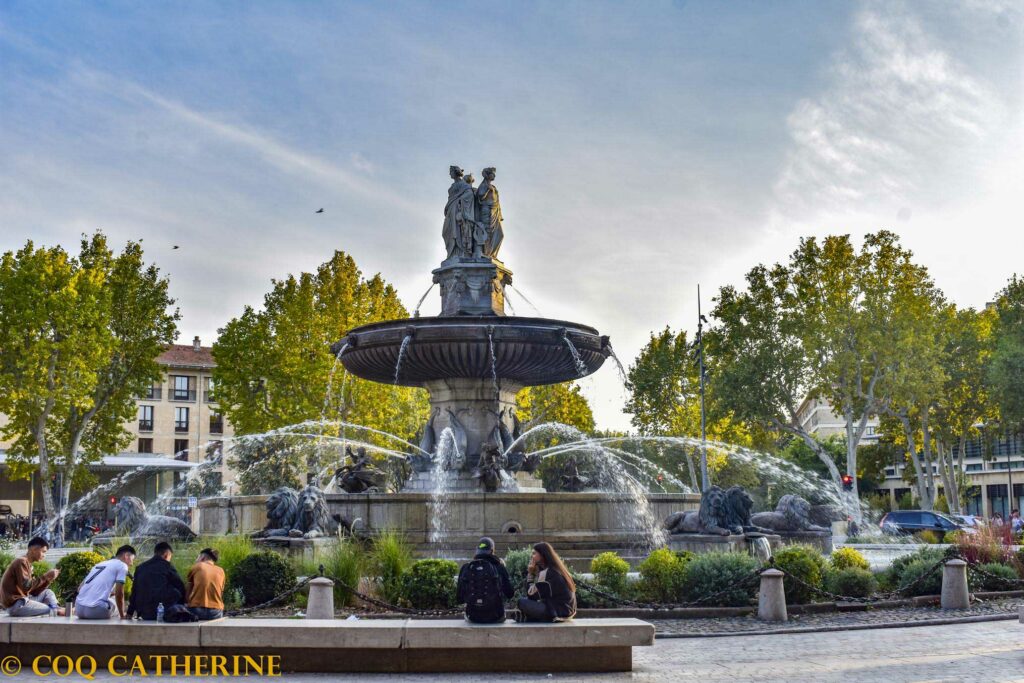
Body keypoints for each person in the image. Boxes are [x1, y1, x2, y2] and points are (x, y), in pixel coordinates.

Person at [0, 536, 64, 617]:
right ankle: (58, 610)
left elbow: (33, 592)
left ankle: (57, 609)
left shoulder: (27, 564)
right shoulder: (21, 561)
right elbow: (26, 587)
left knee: (48, 593)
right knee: (52, 610)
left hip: (22, 601)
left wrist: (48, 579)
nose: (44, 555)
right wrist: (45, 576)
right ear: (33, 549)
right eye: (43, 552)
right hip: (16, 605)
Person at [456, 537, 514, 623]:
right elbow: (510, 593)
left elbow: (459, 598)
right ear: (492, 550)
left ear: (477, 550)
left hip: (472, 616)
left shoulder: (466, 567)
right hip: (496, 616)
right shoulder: (499, 567)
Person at [516, 542, 576, 623]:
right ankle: (528, 617)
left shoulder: (548, 572)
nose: (532, 556)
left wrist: (530, 574)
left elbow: (531, 595)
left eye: (534, 553)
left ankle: (530, 617)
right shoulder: (557, 569)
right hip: (567, 610)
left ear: (542, 555)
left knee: (521, 602)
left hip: (559, 612)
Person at [127, 542, 185, 620]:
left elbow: (134, 592)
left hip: (144, 613)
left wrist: (129, 613)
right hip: (163, 611)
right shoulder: (167, 566)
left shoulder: (140, 568)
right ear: (166, 554)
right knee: (175, 590)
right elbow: (181, 586)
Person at [75, 544, 136, 620]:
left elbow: (80, 588)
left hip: (78, 609)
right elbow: (119, 594)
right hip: (96, 611)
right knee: (115, 599)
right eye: (132, 559)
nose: (132, 563)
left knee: (110, 596)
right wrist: (122, 616)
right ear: (126, 555)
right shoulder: (122, 565)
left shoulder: (99, 564)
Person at [186, 547, 226, 620]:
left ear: (202, 557)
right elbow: (221, 593)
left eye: (197, 557)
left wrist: (187, 603)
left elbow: (188, 590)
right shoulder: (221, 571)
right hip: (216, 611)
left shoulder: (198, 566)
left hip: (197, 610)